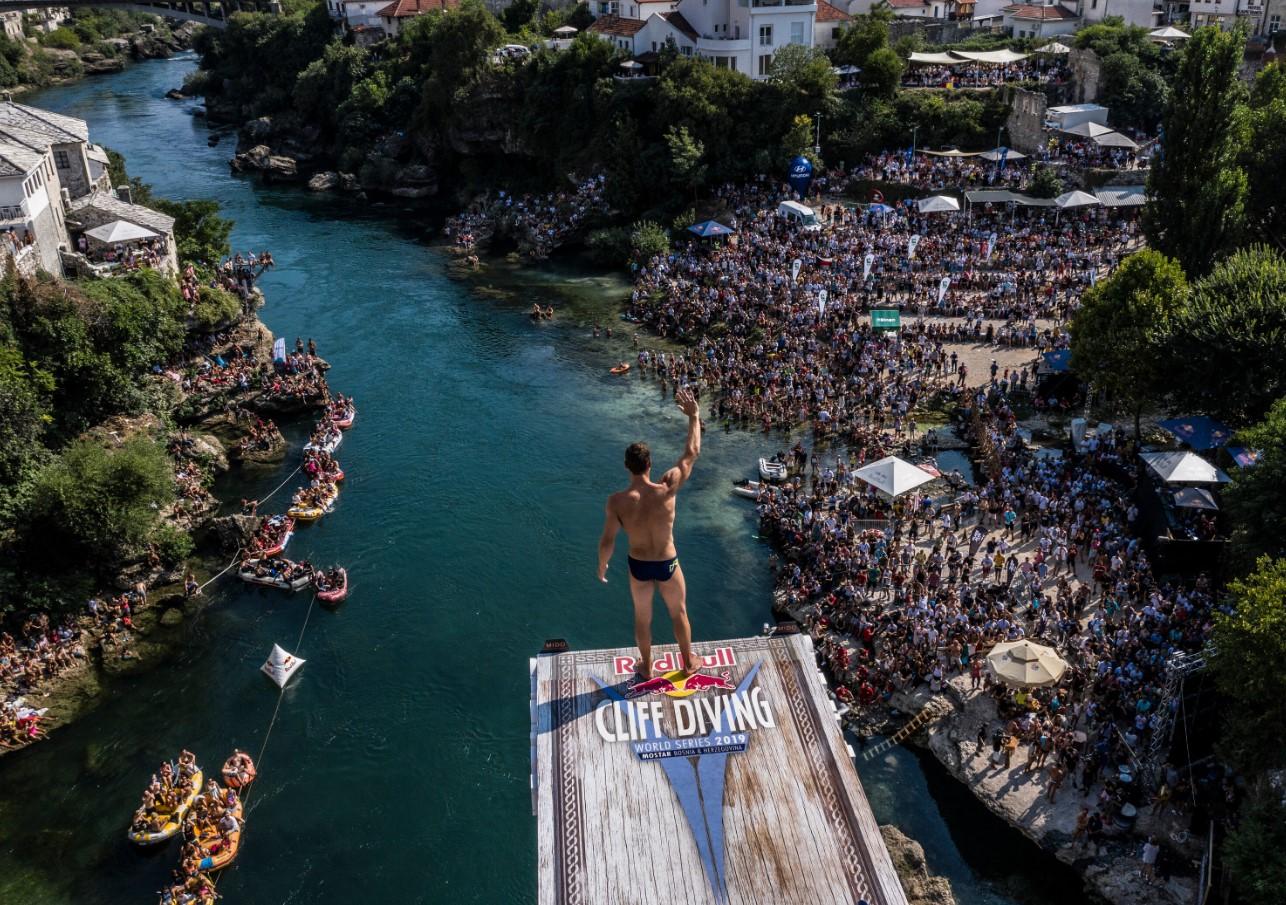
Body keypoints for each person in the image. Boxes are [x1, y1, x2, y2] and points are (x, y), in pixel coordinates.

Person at [598, 388, 702, 680]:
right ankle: (688, 662)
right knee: (678, 613)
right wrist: (694, 416)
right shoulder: (667, 489)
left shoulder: (617, 501)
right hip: (667, 561)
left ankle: (646, 666)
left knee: (643, 618)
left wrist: (602, 564)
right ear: (650, 464)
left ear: (626, 467)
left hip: (638, 565)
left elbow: (608, 540)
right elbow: (691, 453)